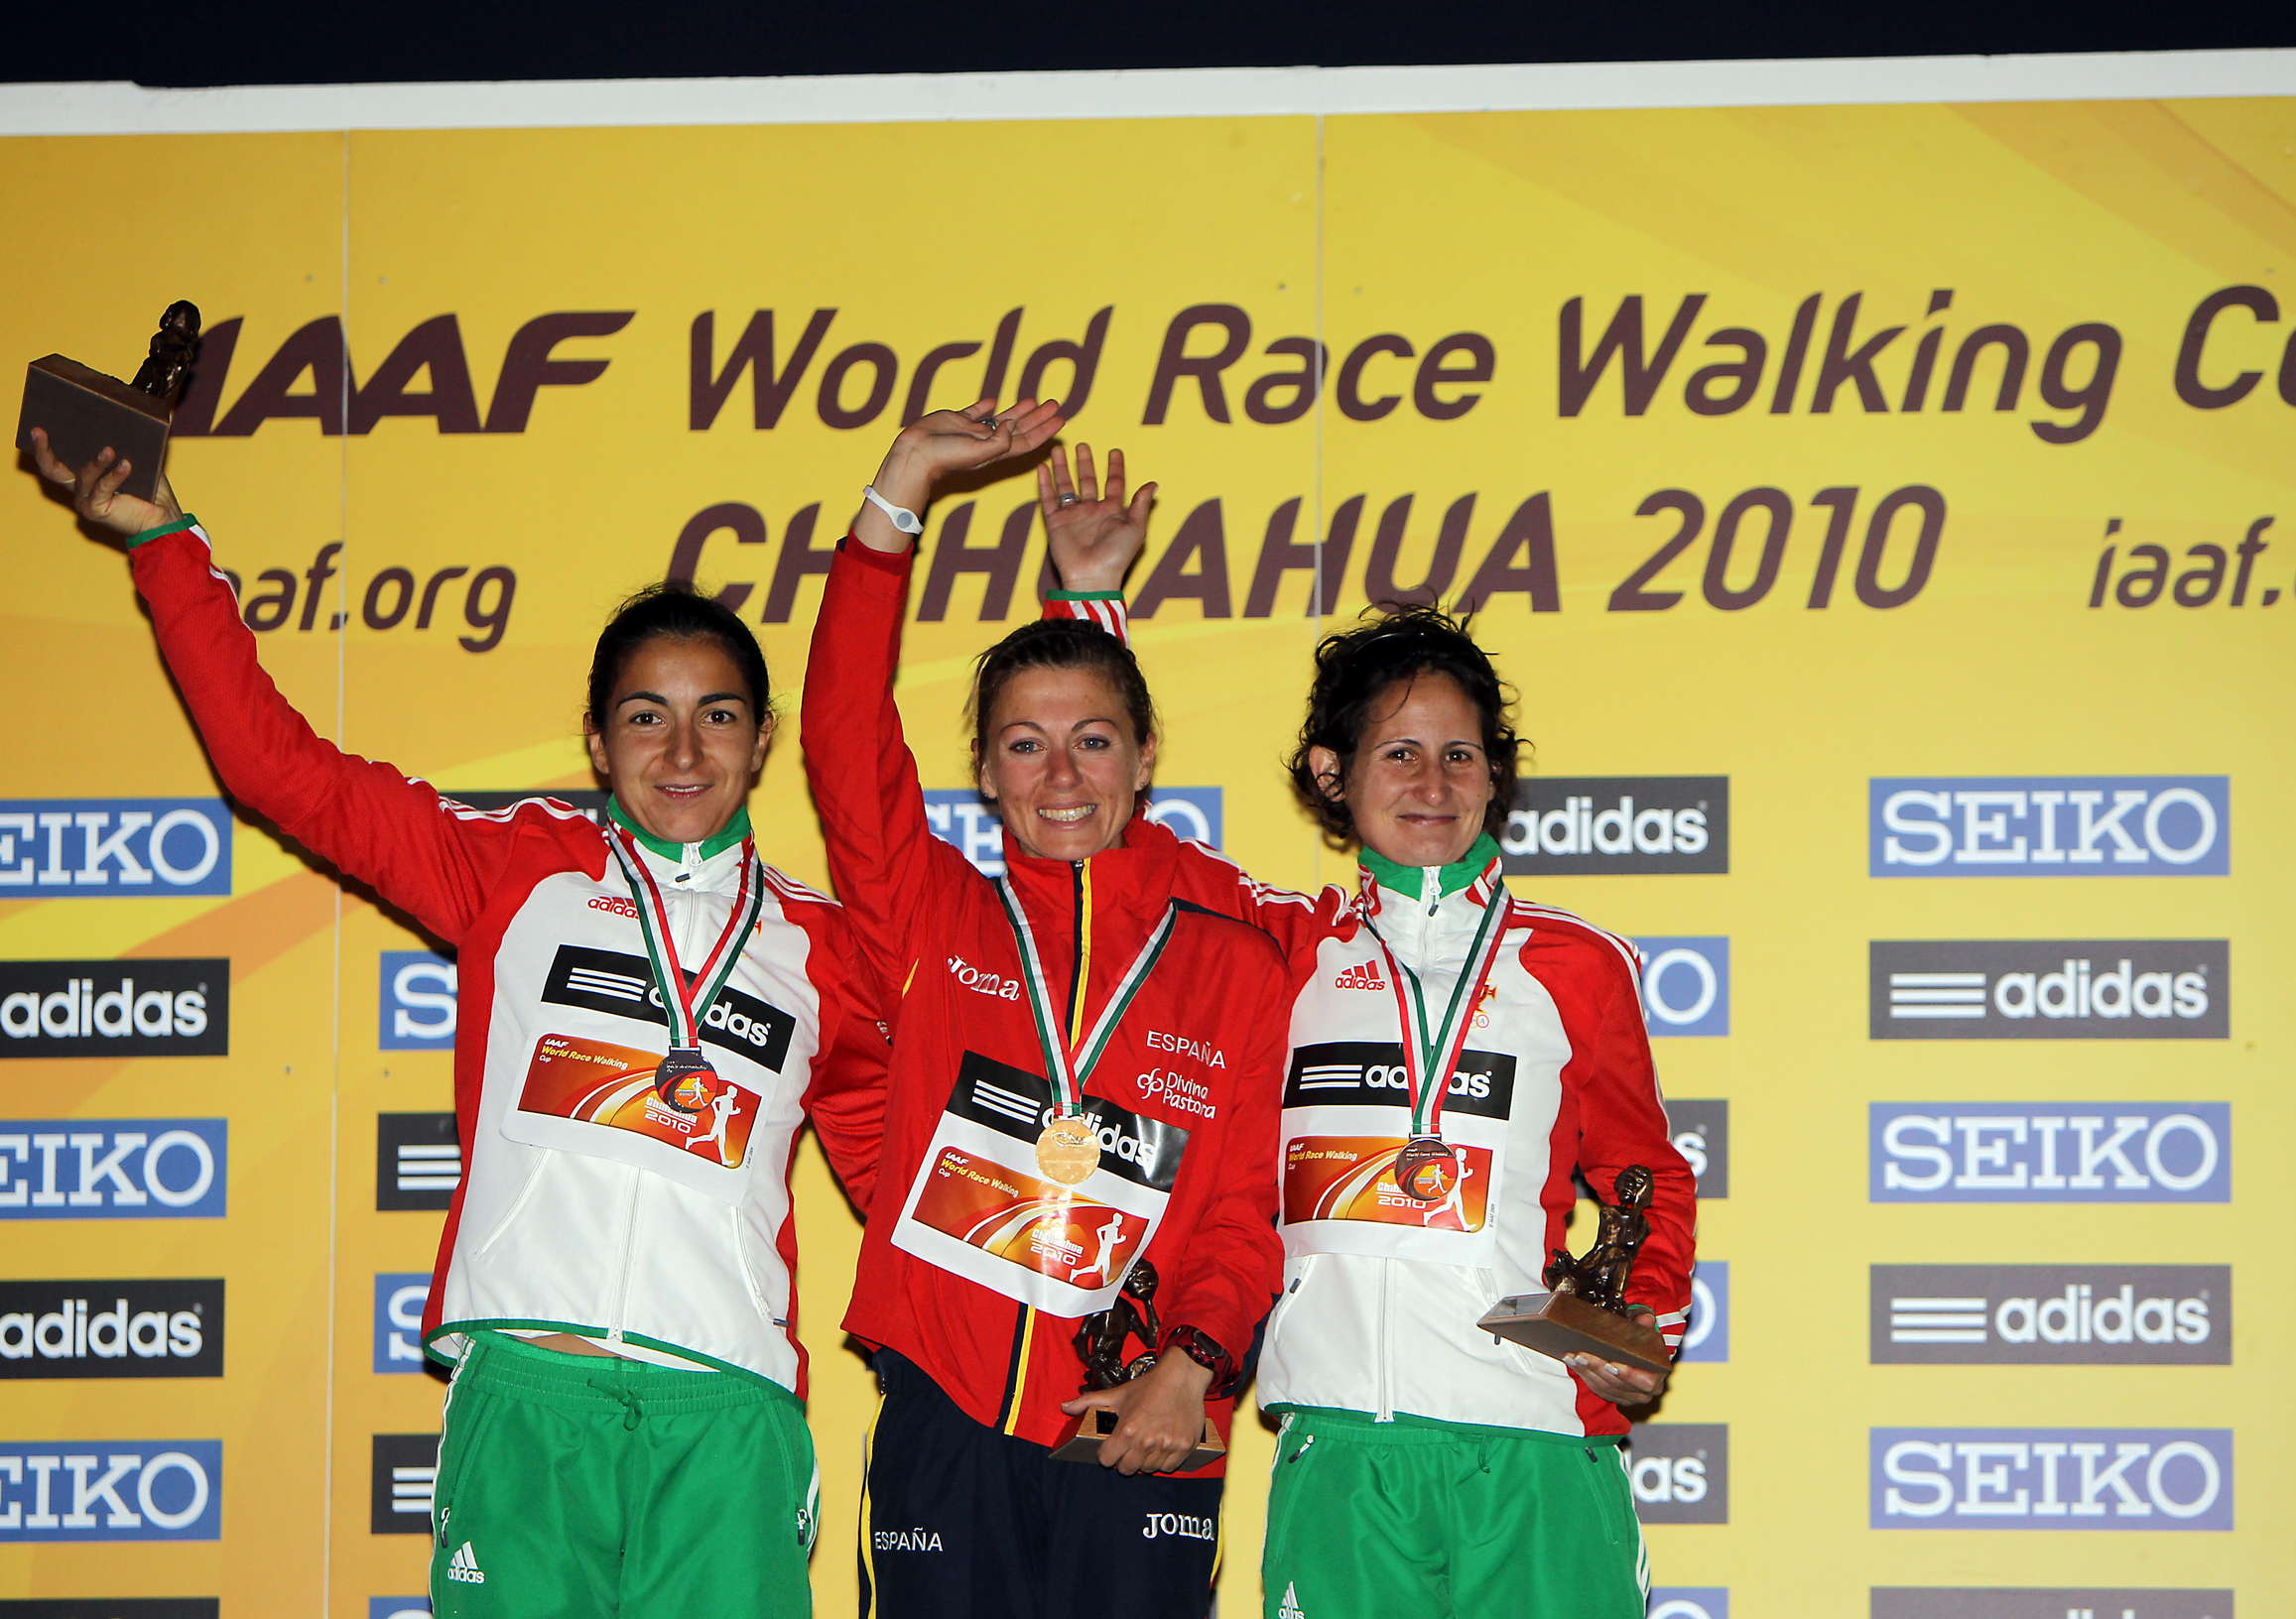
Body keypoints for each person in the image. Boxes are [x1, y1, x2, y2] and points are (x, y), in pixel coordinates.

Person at [28, 430, 886, 1619]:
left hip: (729, 1413)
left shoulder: (825, 948)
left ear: (761, 740)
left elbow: (904, 1183)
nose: (684, 751)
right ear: (598, 742)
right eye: (647, 717)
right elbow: (282, 774)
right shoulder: (514, 871)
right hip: (530, 1394)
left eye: (719, 716)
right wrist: (165, 542)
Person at [1040, 443, 1699, 1619]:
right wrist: (1089, 597)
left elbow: (1646, 1172)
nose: (1432, 782)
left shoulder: (1574, 965)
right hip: (1344, 1446)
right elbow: (1122, 836)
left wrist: (1634, 1326)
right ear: (1331, 773)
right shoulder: (1286, 947)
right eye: (1398, 752)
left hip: (1536, 1446)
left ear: (1495, 775)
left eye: (1460, 754)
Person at [798, 400, 1286, 1619]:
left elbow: (1244, 1216)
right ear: (982, 770)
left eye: (1093, 742)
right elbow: (844, 736)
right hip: (949, 1414)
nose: (1061, 775)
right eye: (1024, 746)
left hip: (1142, 1416)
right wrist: (901, 488)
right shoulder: (931, 916)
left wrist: (1193, 1364)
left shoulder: (1232, 957)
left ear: (1146, 754)